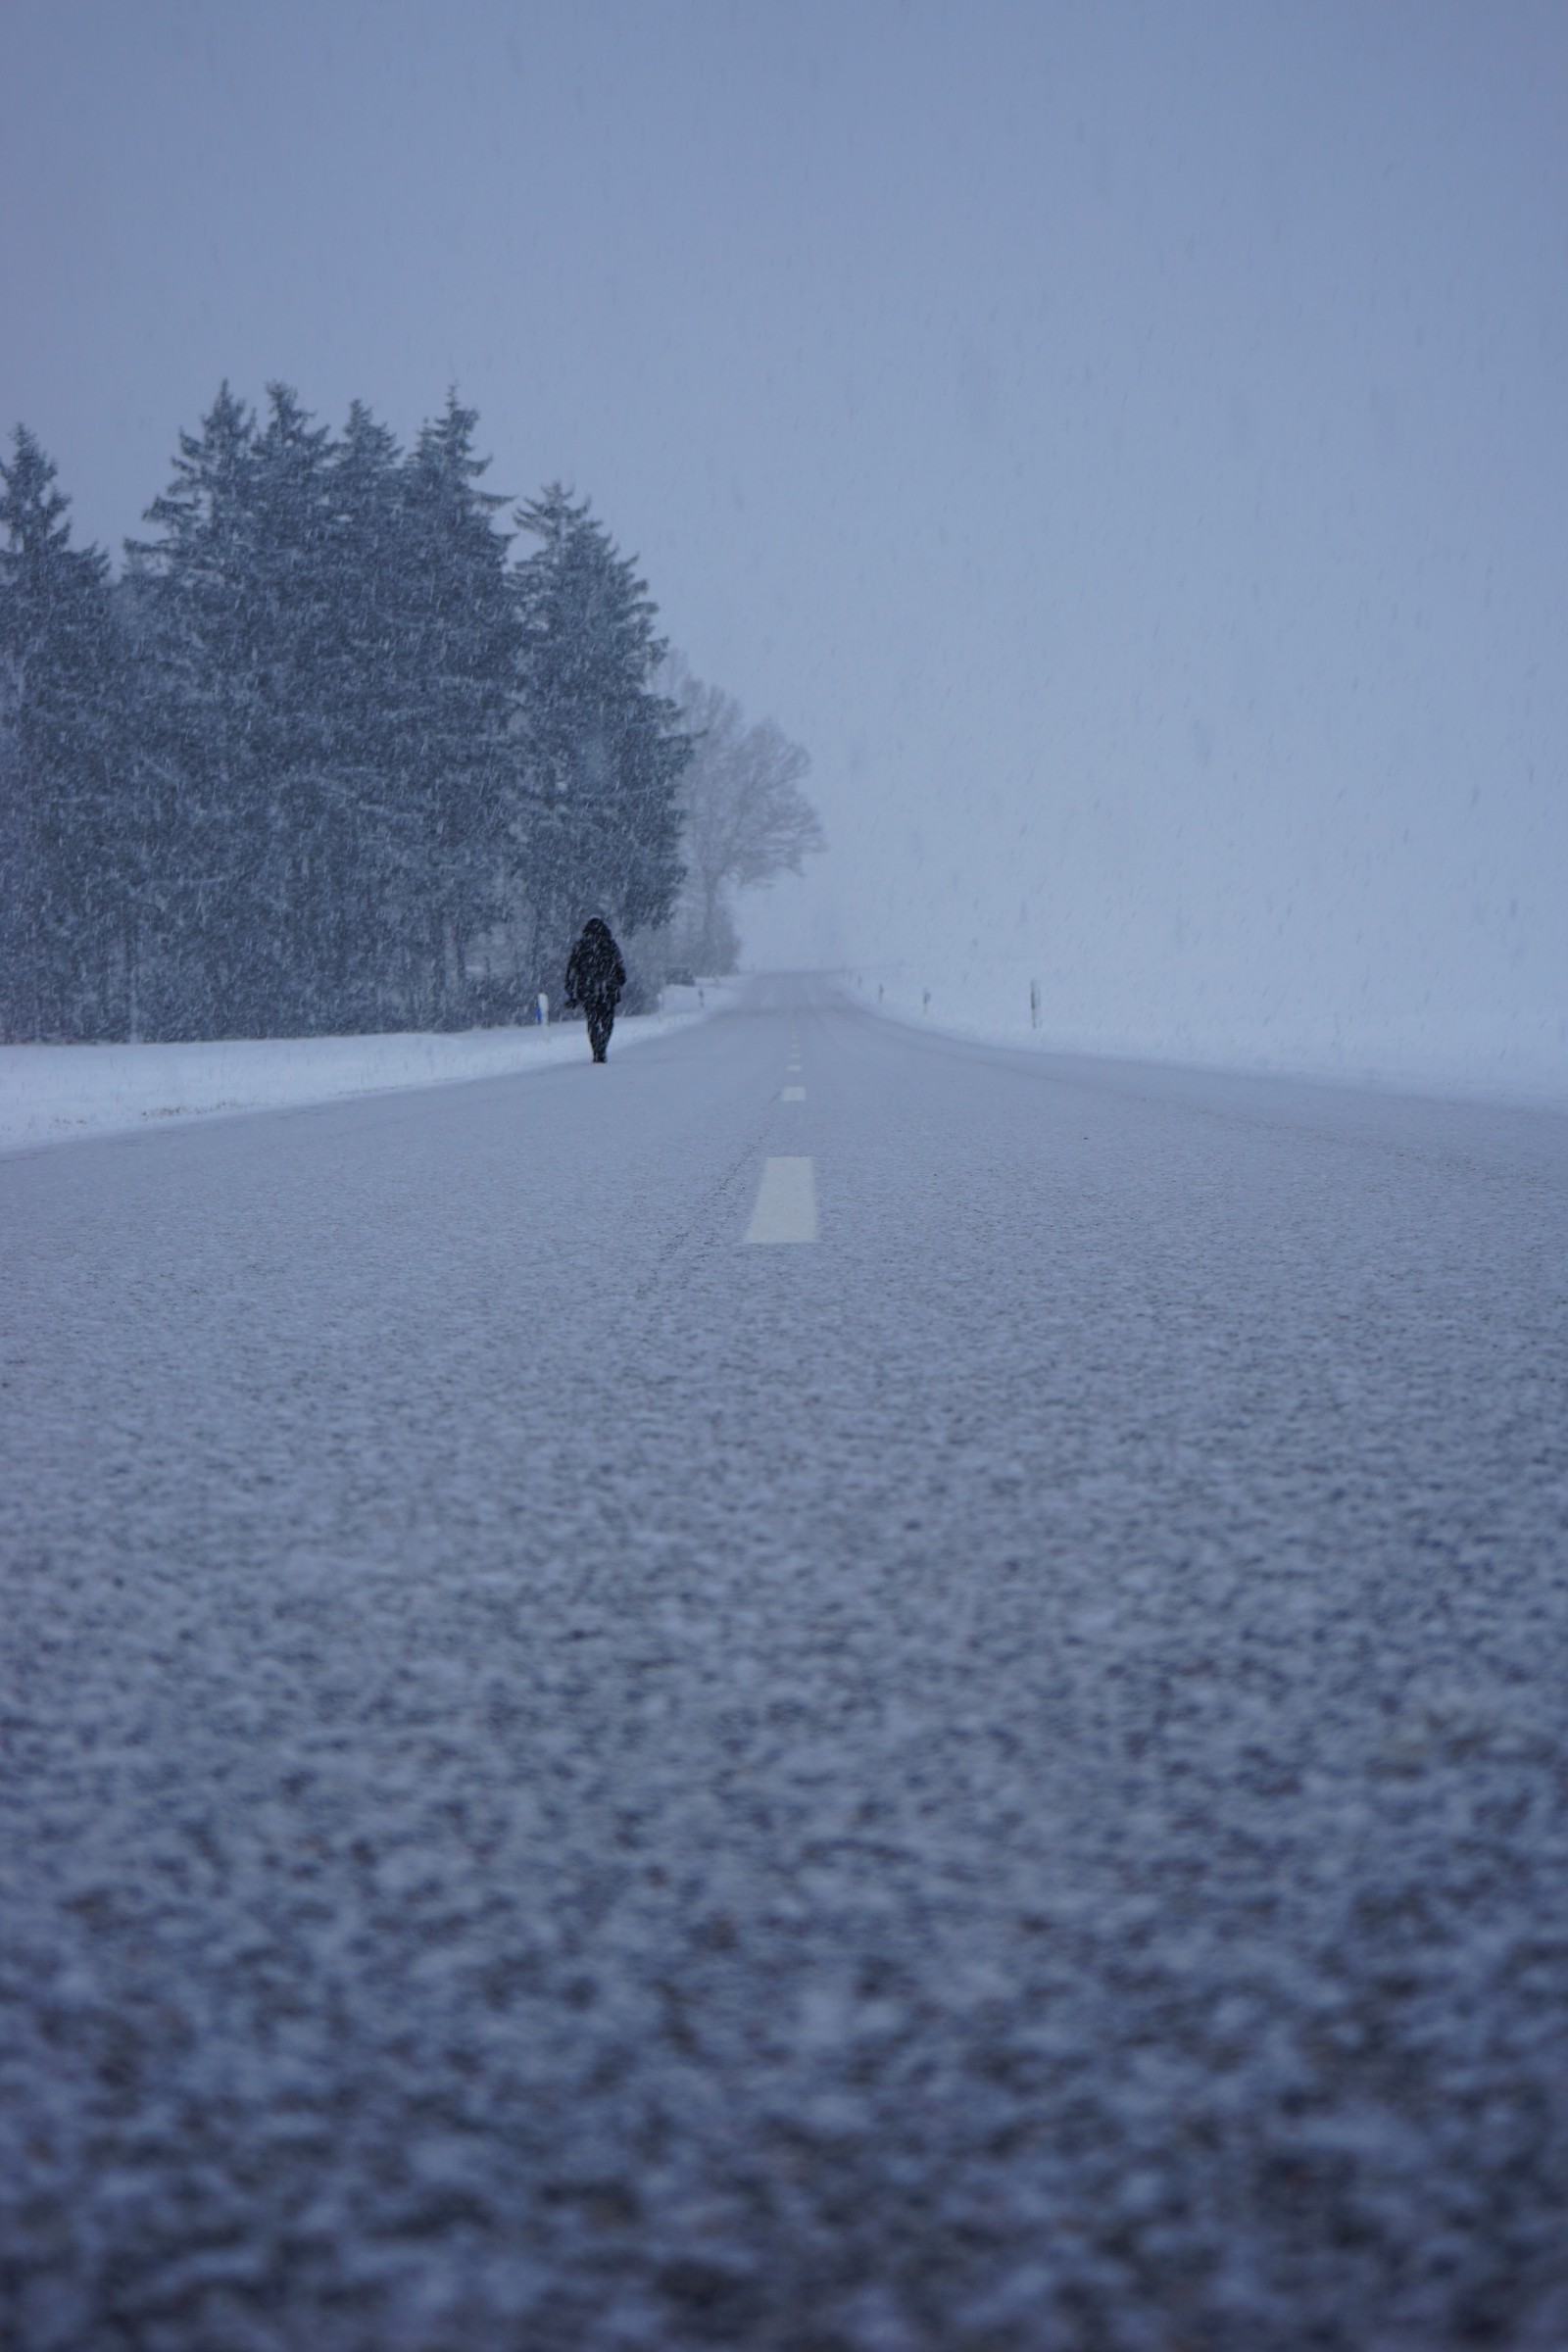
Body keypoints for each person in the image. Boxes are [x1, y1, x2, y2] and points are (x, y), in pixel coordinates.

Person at [564, 917, 626, 1063]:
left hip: (587, 990)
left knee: (592, 1020)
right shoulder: (610, 945)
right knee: (607, 1021)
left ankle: (596, 1047)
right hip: (608, 990)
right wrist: (620, 980)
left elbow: (572, 970)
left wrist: (570, 989)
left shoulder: (580, 946)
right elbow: (620, 967)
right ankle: (602, 1045)